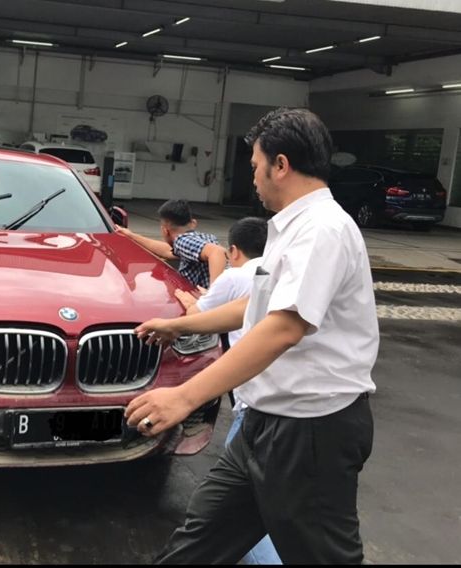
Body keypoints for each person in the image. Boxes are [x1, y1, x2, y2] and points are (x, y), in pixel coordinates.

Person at [126, 107, 378, 564]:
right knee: (196, 546)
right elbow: (257, 308)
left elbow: (284, 328)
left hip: (311, 431)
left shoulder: (323, 230)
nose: (254, 178)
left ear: (280, 165)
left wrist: (184, 396)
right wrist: (178, 324)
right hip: (262, 423)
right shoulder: (289, 229)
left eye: (256, 166)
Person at [173, 216, 280, 565]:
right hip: (286, 404)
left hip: (254, 399)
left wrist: (185, 304)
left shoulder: (234, 276)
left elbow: (201, 311)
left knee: (231, 511)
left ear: (234, 250)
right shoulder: (277, 269)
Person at [116, 199, 227, 288]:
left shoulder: (181, 240)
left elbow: (218, 252)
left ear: (165, 231)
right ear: (193, 223)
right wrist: (131, 235)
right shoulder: (203, 238)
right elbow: (167, 251)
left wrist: (214, 293)